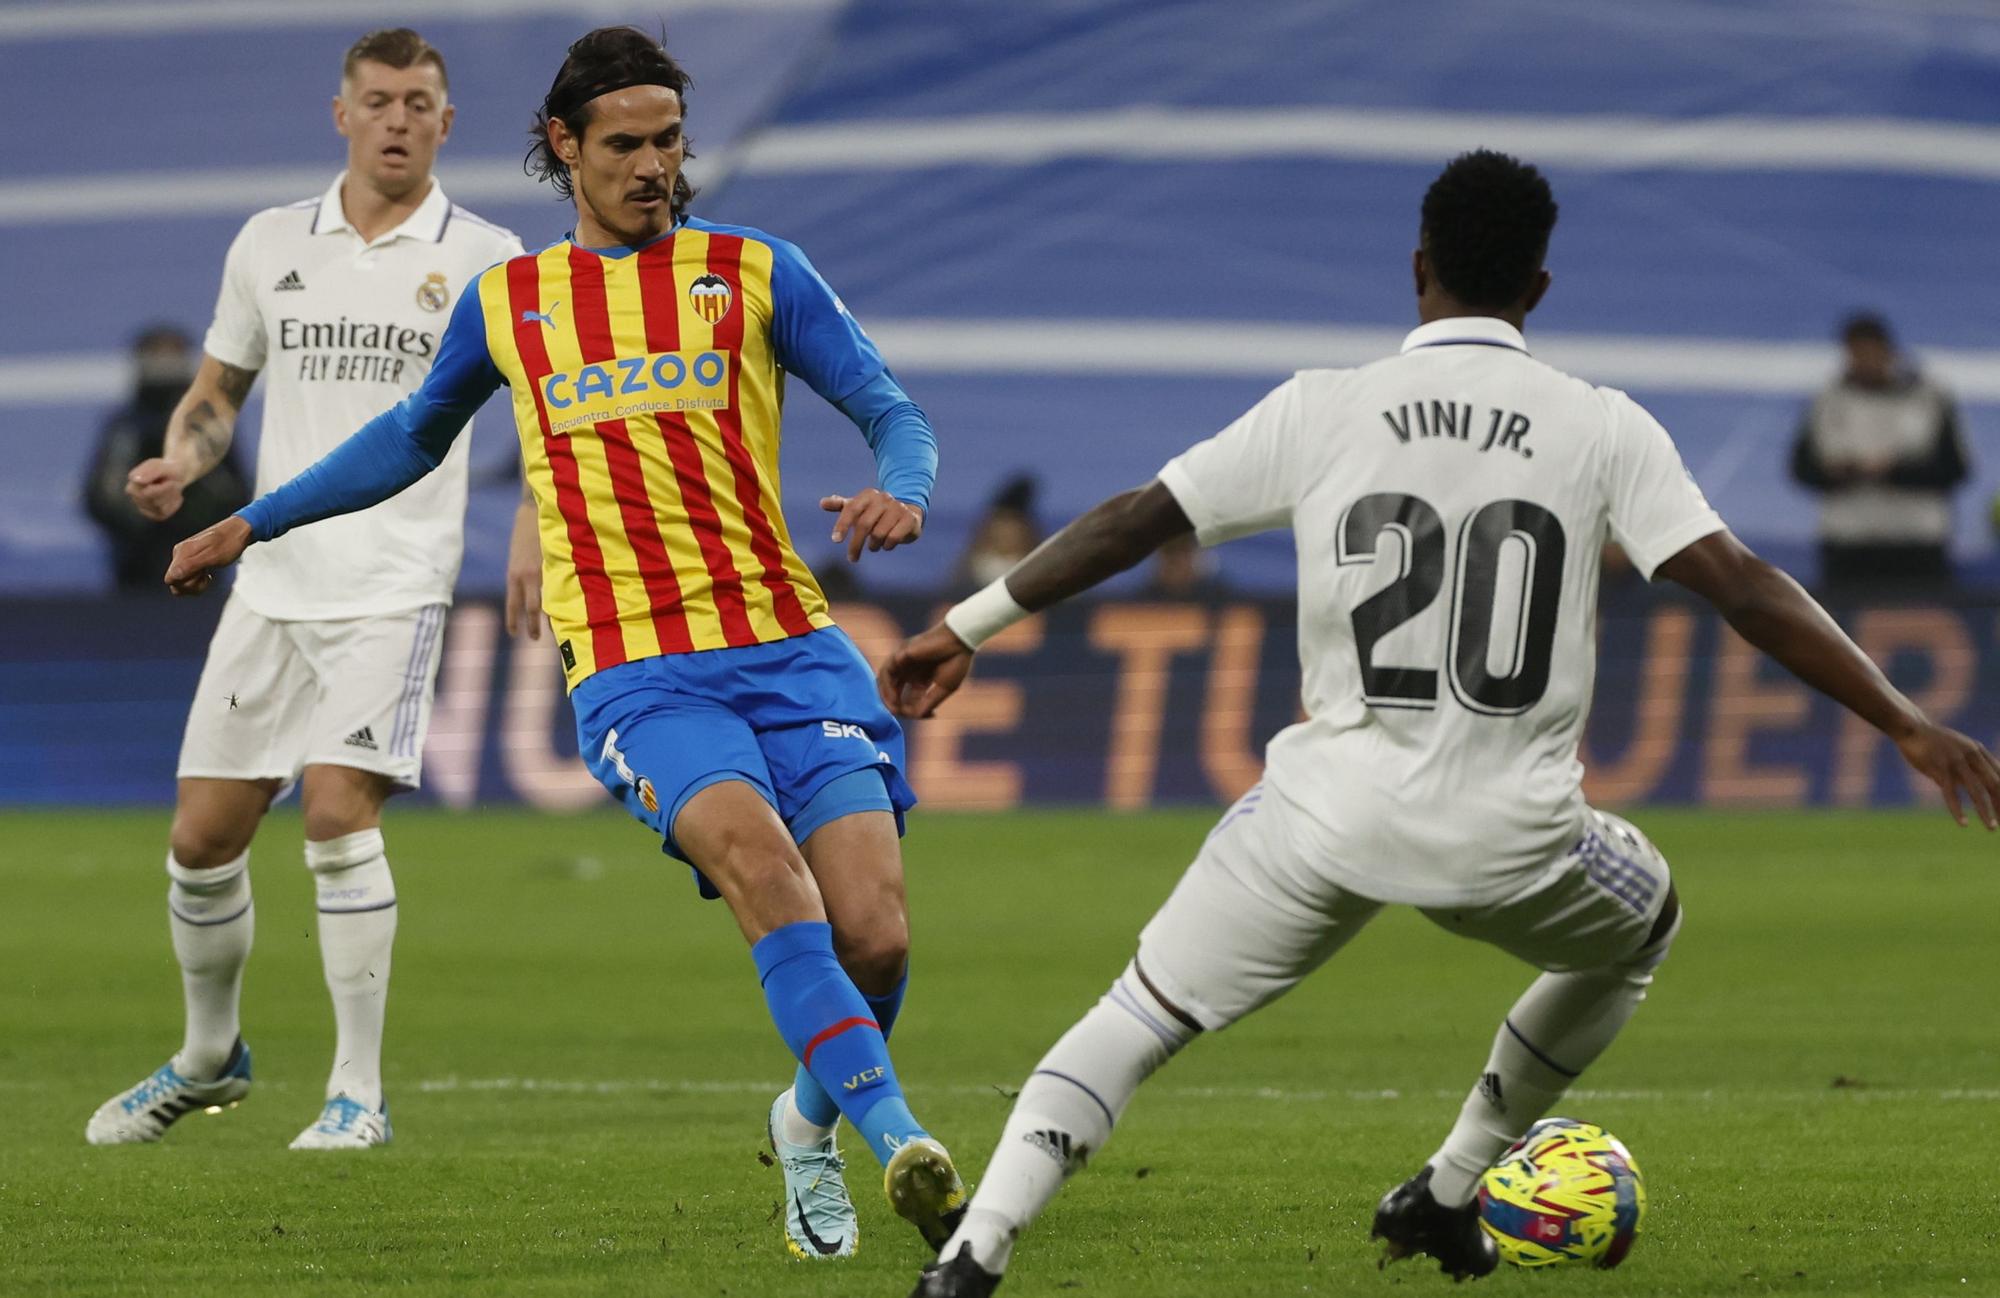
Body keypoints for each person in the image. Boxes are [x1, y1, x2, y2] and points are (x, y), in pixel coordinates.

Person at [882, 151, 2000, 1296]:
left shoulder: (1322, 405)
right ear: (1539, 287)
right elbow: (1745, 586)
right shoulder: (1601, 426)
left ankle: (972, 1258)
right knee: (1644, 924)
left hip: (1321, 816)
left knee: (1139, 1012)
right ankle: (1448, 1183)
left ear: (1417, 268)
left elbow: (1130, 522)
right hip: (1509, 836)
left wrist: (966, 624)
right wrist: (1905, 721)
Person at [163, 25, 966, 1260]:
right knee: (765, 876)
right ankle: (899, 1137)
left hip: (791, 643)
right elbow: (407, 439)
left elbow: (888, 406)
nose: (654, 167)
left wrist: (900, 488)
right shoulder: (512, 300)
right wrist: (252, 521)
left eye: (669, 144)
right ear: (565, 147)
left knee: (878, 935)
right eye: (626, 146)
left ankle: (806, 1121)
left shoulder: (755, 272)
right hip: (640, 670)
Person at [85, 28, 524, 1151]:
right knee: (200, 839)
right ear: (341, 113)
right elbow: (220, 388)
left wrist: (533, 525)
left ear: (445, 123)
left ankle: (357, 1092)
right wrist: (183, 460)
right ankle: (207, 1054)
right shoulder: (271, 241)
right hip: (271, 582)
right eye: (376, 100)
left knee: (336, 811)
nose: (395, 119)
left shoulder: (488, 255)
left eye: (417, 102)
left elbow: (542, 412)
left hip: (393, 580)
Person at [1790, 312, 1971, 589]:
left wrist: (1895, 470)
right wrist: (1839, 473)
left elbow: (1955, 469)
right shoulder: (1828, 400)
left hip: (1917, 544)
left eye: (1871, 353)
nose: (1864, 362)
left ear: (1889, 352)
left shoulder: (1928, 398)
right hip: (1848, 543)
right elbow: (1801, 469)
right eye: (1856, 354)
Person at [82, 325, 251, 591]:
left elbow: (236, 494)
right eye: (156, 355)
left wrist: (198, 522)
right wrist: (138, 525)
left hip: (201, 566)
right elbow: (98, 498)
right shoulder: (125, 428)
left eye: (171, 355)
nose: (164, 365)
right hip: (134, 567)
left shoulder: (209, 426)